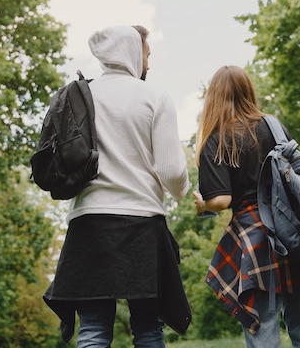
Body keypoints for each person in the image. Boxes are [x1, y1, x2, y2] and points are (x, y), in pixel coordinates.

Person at [43, 25, 191, 348]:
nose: (148, 64)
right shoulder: (154, 97)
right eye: (147, 55)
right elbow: (171, 172)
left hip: (88, 225)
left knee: (93, 329)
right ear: (132, 53)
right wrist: (183, 190)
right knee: (149, 327)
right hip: (142, 225)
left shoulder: (80, 96)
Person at [192, 65, 300, 348]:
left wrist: (202, 205)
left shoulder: (217, 138)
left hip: (255, 241)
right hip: (295, 233)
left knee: (264, 338)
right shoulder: (273, 126)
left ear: (213, 97)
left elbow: (222, 200)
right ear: (248, 90)